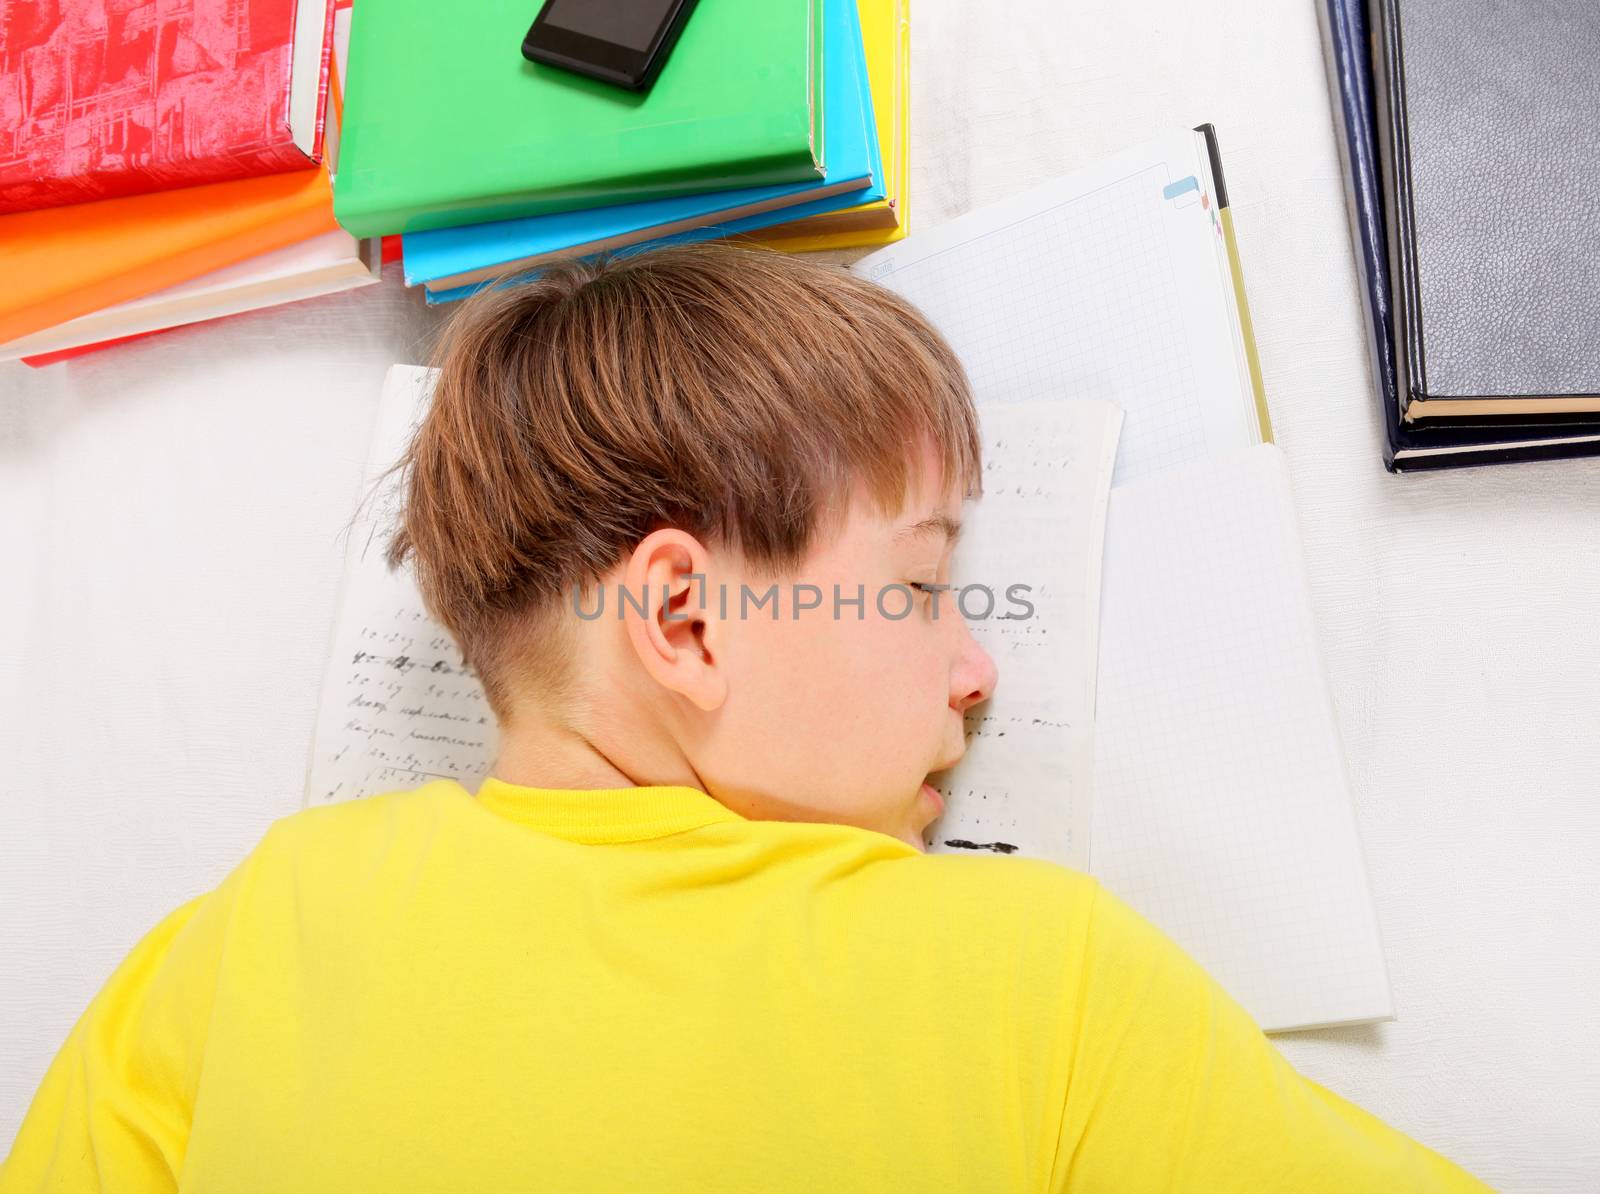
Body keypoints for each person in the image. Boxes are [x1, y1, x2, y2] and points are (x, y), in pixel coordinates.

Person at [0, 244, 1490, 1191]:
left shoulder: (241, 941)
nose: (980, 668)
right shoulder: (1040, 980)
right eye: (918, 583)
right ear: (688, 620)